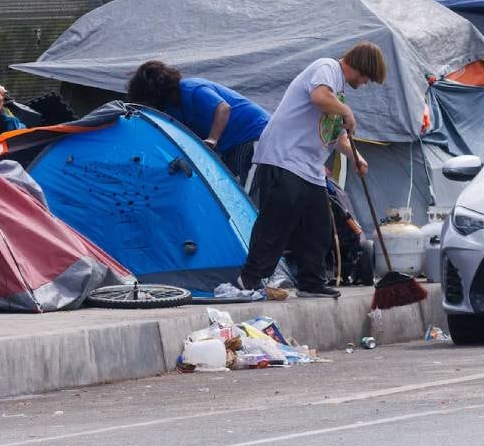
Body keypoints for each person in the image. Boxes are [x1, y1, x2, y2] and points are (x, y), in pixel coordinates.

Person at [238, 42, 387, 299]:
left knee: (318, 228)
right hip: (284, 158)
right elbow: (318, 97)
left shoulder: (337, 93)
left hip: (310, 168)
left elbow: (338, 137)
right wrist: (347, 111)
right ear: (362, 67)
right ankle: (249, 277)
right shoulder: (327, 68)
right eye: (366, 78)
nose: (364, 83)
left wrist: (356, 157)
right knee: (277, 222)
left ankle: (311, 282)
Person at [126, 61, 269, 185]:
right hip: (229, 147)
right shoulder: (170, 109)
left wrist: (213, 138)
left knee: (248, 185)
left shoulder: (191, 88)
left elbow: (223, 108)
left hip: (252, 134)